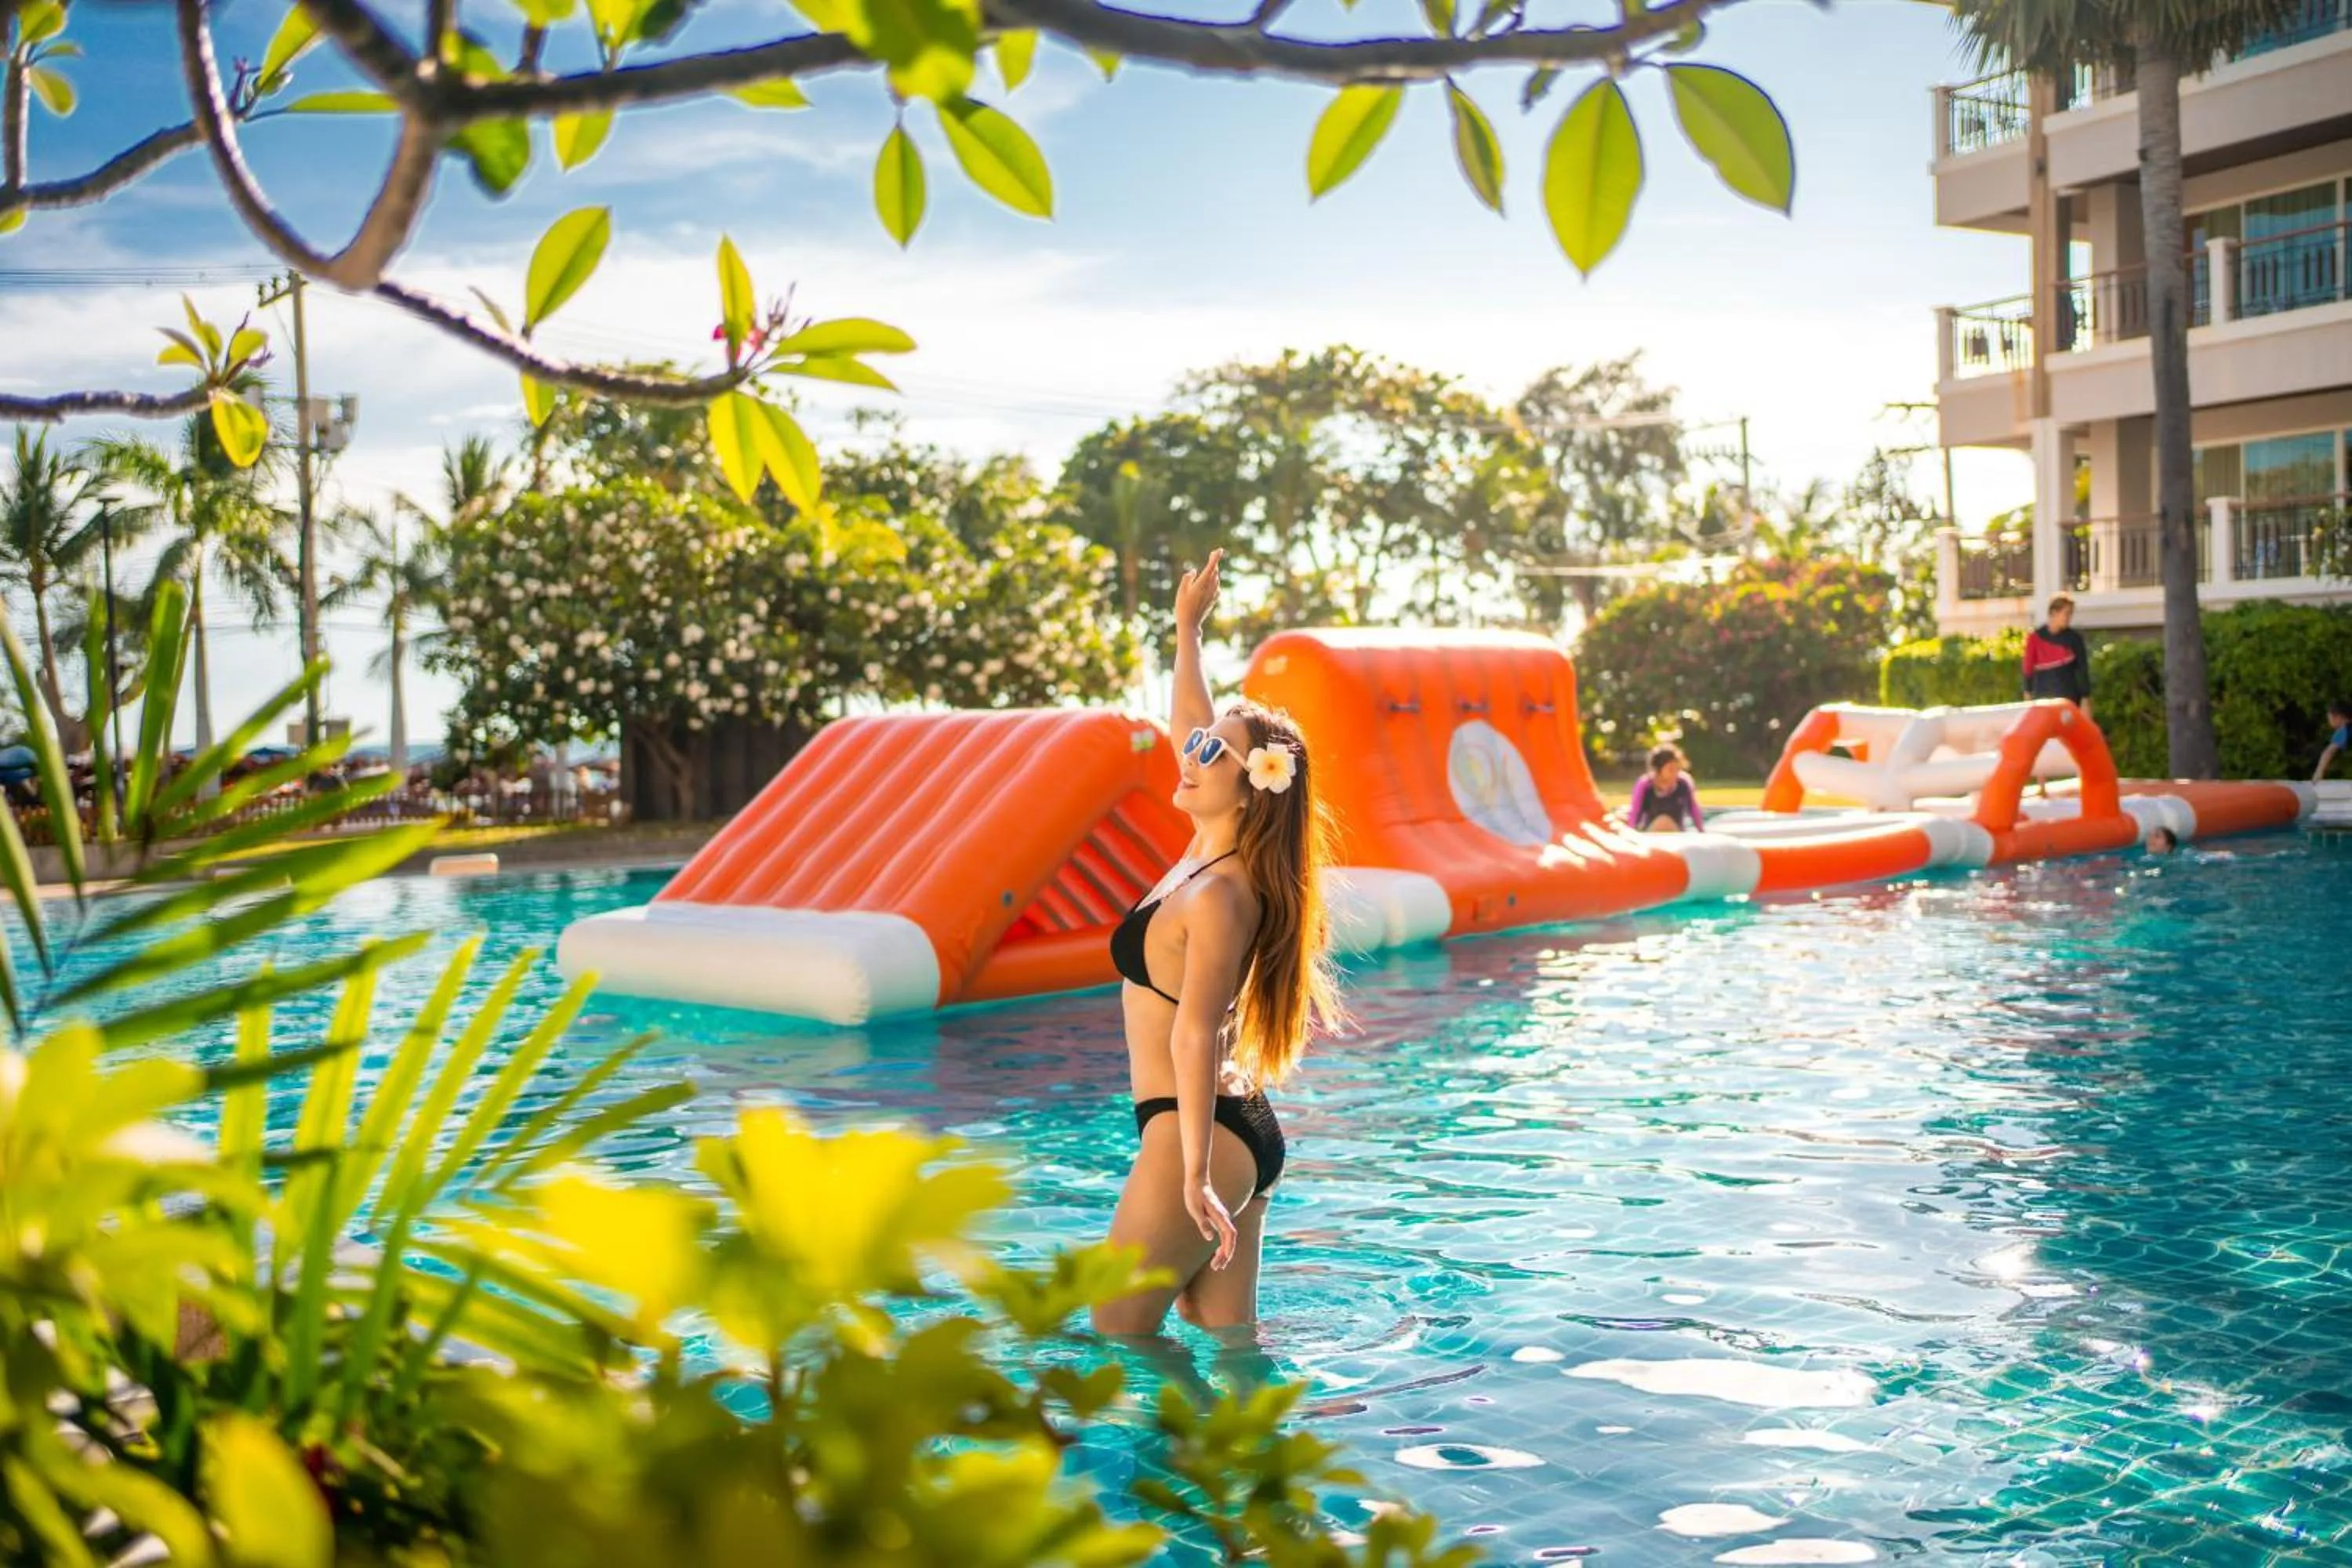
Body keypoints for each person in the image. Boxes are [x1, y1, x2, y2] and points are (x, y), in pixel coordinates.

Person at [1093, 547, 1343, 1335]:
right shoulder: (1209, 854)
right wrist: (1186, 630)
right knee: (1227, 1346)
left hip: (1196, 1135)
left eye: (1213, 752)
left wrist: (1196, 1173)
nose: (1193, 751)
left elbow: (1196, 1027)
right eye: (1199, 745)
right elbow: (1188, 719)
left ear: (1248, 786)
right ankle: (1254, 1461)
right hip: (1234, 1131)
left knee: (1113, 1335)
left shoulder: (1222, 895)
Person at [2022, 596, 2093, 715]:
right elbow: (2028, 670)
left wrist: (2085, 700)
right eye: (2066, 613)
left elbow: (2083, 671)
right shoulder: (2035, 639)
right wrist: (2027, 697)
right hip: (2043, 702)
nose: (2069, 618)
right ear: (2054, 612)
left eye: (2071, 614)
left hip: (2070, 702)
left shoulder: (2074, 639)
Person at [1627, 745, 1704, 833]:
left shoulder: (1684, 782)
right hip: (1652, 833)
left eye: (1677, 769)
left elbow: (1694, 809)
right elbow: (1635, 813)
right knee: (1662, 822)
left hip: (1677, 833)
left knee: (1666, 822)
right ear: (1658, 769)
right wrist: (1631, 832)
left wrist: (1701, 830)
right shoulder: (1645, 785)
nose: (1675, 773)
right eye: (1670, 769)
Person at [2316, 701, 2350, 783]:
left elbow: (2329, 752)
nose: (2329, 722)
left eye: (2330, 719)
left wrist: (2318, 773)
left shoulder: (2345, 730)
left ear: (2338, 717)